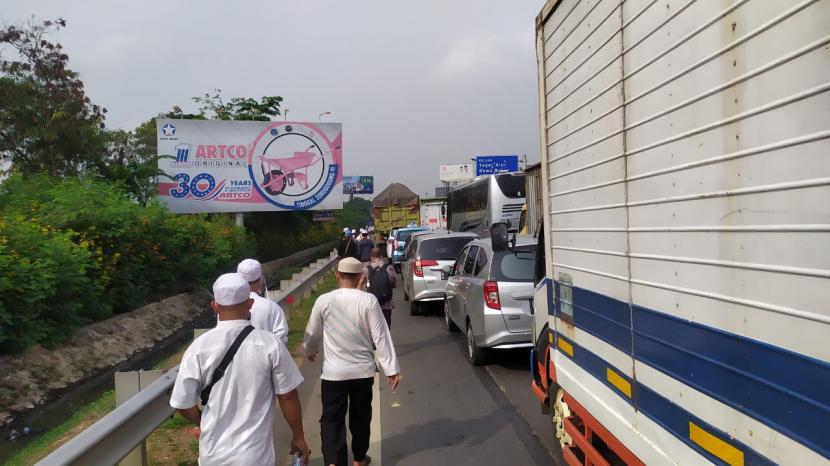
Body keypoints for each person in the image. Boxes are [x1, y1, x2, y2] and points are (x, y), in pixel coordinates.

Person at [171, 273, 311, 466]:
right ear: (250, 304)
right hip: (256, 456)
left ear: (214, 306)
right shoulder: (270, 344)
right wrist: (299, 436)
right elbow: (287, 396)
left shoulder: (198, 347)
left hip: (213, 455)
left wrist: (203, 422)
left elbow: (182, 402)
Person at [304, 258, 400, 466]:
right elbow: (381, 337)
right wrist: (390, 369)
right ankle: (358, 459)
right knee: (361, 417)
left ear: (337, 275)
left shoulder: (324, 300)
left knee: (332, 419)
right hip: (362, 373)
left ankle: (333, 462)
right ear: (360, 277)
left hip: (333, 373)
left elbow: (312, 333)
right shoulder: (369, 301)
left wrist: (310, 350)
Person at [237, 258, 289, 345]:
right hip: (264, 357)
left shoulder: (227, 309)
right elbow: (281, 338)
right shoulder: (272, 307)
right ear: (260, 279)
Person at [361, 248, 396, 328]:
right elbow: (394, 282)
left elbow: (361, 283)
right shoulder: (389, 267)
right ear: (381, 256)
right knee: (387, 324)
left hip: (372, 302)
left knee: (374, 325)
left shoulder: (367, 269)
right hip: (387, 302)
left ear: (371, 257)